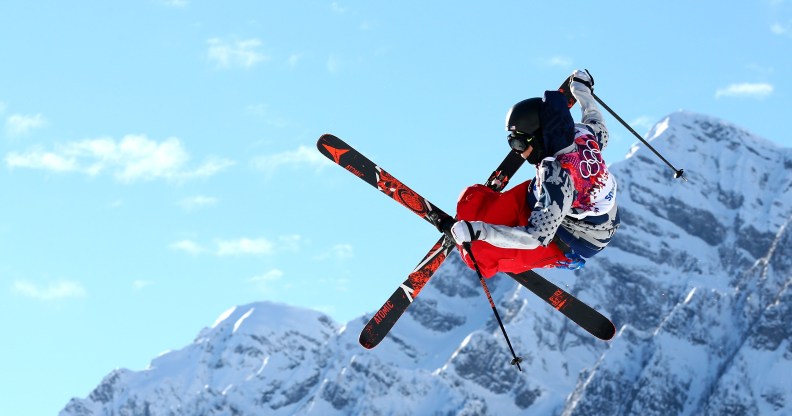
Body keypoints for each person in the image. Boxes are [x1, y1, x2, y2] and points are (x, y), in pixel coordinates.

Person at [443, 70, 619, 278]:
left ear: (538, 138)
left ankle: (559, 257)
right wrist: (581, 90)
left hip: (576, 235)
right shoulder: (581, 133)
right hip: (563, 202)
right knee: (471, 199)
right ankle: (480, 221)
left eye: (518, 143)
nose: (517, 152)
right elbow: (597, 124)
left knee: (479, 256)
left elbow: (535, 237)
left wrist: (481, 231)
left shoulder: (557, 177)